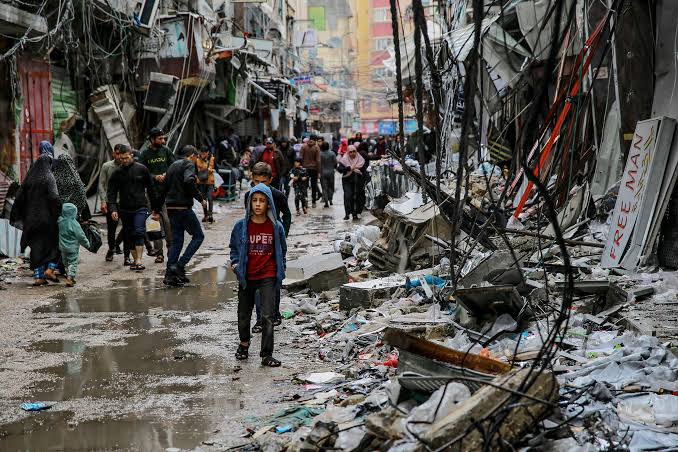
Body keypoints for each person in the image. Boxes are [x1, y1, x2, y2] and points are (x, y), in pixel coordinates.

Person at [229, 183, 286, 368]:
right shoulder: (241, 226)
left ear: (269, 203)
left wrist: (280, 269)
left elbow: (282, 250)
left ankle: (267, 354)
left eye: (262, 200)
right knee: (243, 315)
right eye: (255, 200)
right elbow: (234, 248)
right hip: (247, 276)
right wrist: (236, 264)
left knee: (267, 316)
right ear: (249, 203)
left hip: (268, 276)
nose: (258, 204)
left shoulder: (276, 227)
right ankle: (244, 345)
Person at [244, 162, 291, 331]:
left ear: (271, 180)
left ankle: (274, 313)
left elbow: (287, 215)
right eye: (256, 182)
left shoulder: (278, 195)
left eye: (263, 183)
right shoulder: (249, 196)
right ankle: (259, 319)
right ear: (252, 179)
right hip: (256, 245)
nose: (259, 187)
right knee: (257, 283)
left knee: (274, 280)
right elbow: (247, 220)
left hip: (274, 245)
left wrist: (282, 235)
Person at [10, 146, 61, 286]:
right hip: (47, 220)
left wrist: (21, 214)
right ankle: (50, 270)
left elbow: (19, 197)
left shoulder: (29, 178)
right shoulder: (48, 177)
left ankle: (39, 277)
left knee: (36, 247)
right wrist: (58, 212)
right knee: (53, 245)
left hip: (31, 221)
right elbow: (54, 197)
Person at [157, 145, 207, 287]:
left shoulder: (172, 166)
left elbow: (163, 189)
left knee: (177, 241)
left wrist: (156, 209)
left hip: (171, 208)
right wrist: (200, 198)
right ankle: (180, 265)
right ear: (192, 155)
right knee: (198, 236)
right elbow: (188, 181)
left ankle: (169, 276)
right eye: (196, 158)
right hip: (183, 208)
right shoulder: (189, 164)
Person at [108, 146, 161, 272]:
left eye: (126, 158)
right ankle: (135, 259)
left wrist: (155, 209)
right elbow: (111, 193)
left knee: (138, 230)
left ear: (131, 155)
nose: (124, 160)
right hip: (125, 209)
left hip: (141, 207)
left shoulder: (142, 169)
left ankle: (139, 261)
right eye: (122, 158)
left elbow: (151, 190)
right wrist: (113, 209)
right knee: (129, 235)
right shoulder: (117, 173)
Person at [139, 127, 175, 263]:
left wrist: (166, 175)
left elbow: (174, 166)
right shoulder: (145, 155)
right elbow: (141, 172)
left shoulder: (166, 151)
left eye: (163, 138)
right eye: (160, 138)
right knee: (155, 222)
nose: (163, 140)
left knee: (167, 222)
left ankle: (171, 248)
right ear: (152, 139)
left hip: (167, 193)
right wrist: (154, 177)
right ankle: (159, 253)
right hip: (152, 194)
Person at [98, 144, 128, 263]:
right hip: (112, 202)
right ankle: (111, 249)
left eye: (121, 154)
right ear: (114, 154)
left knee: (127, 227)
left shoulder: (127, 166)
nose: (119, 156)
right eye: (117, 153)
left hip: (125, 202)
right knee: (112, 228)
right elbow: (101, 184)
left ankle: (121, 249)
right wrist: (103, 201)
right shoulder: (107, 166)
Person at [58, 203, 90, 287]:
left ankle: (67, 273)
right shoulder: (74, 223)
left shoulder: (60, 221)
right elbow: (81, 236)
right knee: (73, 262)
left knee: (65, 261)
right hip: (73, 248)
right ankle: (70, 277)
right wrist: (87, 244)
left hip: (62, 247)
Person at [52, 154, 91, 221]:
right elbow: (81, 195)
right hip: (74, 212)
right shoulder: (75, 177)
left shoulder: (54, 178)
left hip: (60, 213)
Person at [337, 145, 365, 221]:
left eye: (354, 151)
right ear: (348, 152)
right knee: (347, 196)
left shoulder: (360, 159)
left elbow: (364, 170)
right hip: (347, 180)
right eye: (350, 152)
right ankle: (347, 213)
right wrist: (349, 168)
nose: (352, 153)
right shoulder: (344, 159)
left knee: (356, 197)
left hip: (357, 181)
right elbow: (339, 169)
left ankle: (355, 213)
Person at [195, 146, 215, 223]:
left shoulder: (212, 159)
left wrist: (211, 170)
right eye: (201, 153)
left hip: (210, 182)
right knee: (203, 199)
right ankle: (205, 215)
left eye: (204, 153)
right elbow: (196, 170)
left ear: (207, 153)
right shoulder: (197, 160)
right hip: (201, 182)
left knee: (210, 198)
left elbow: (216, 168)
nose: (202, 155)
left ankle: (210, 215)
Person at [300, 135, 321, 207]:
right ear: (315, 139)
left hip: (305, 169)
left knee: (304, 186)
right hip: (314, 169)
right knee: (314, 186)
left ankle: (305, 201)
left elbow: (300, 158)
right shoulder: (316, 147)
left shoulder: (303, 146)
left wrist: (301, 167)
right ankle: (313, 202)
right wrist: (319, 171)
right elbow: (318, 160)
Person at [319, 141, 337, 208]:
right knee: (331, 187)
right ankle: (330, 199)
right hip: (331, 172)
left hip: (323, 173)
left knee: (324, 188)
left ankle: (326, 201)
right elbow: (335, 162)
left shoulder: (320, 154)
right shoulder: (332, 153)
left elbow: (318, 163)